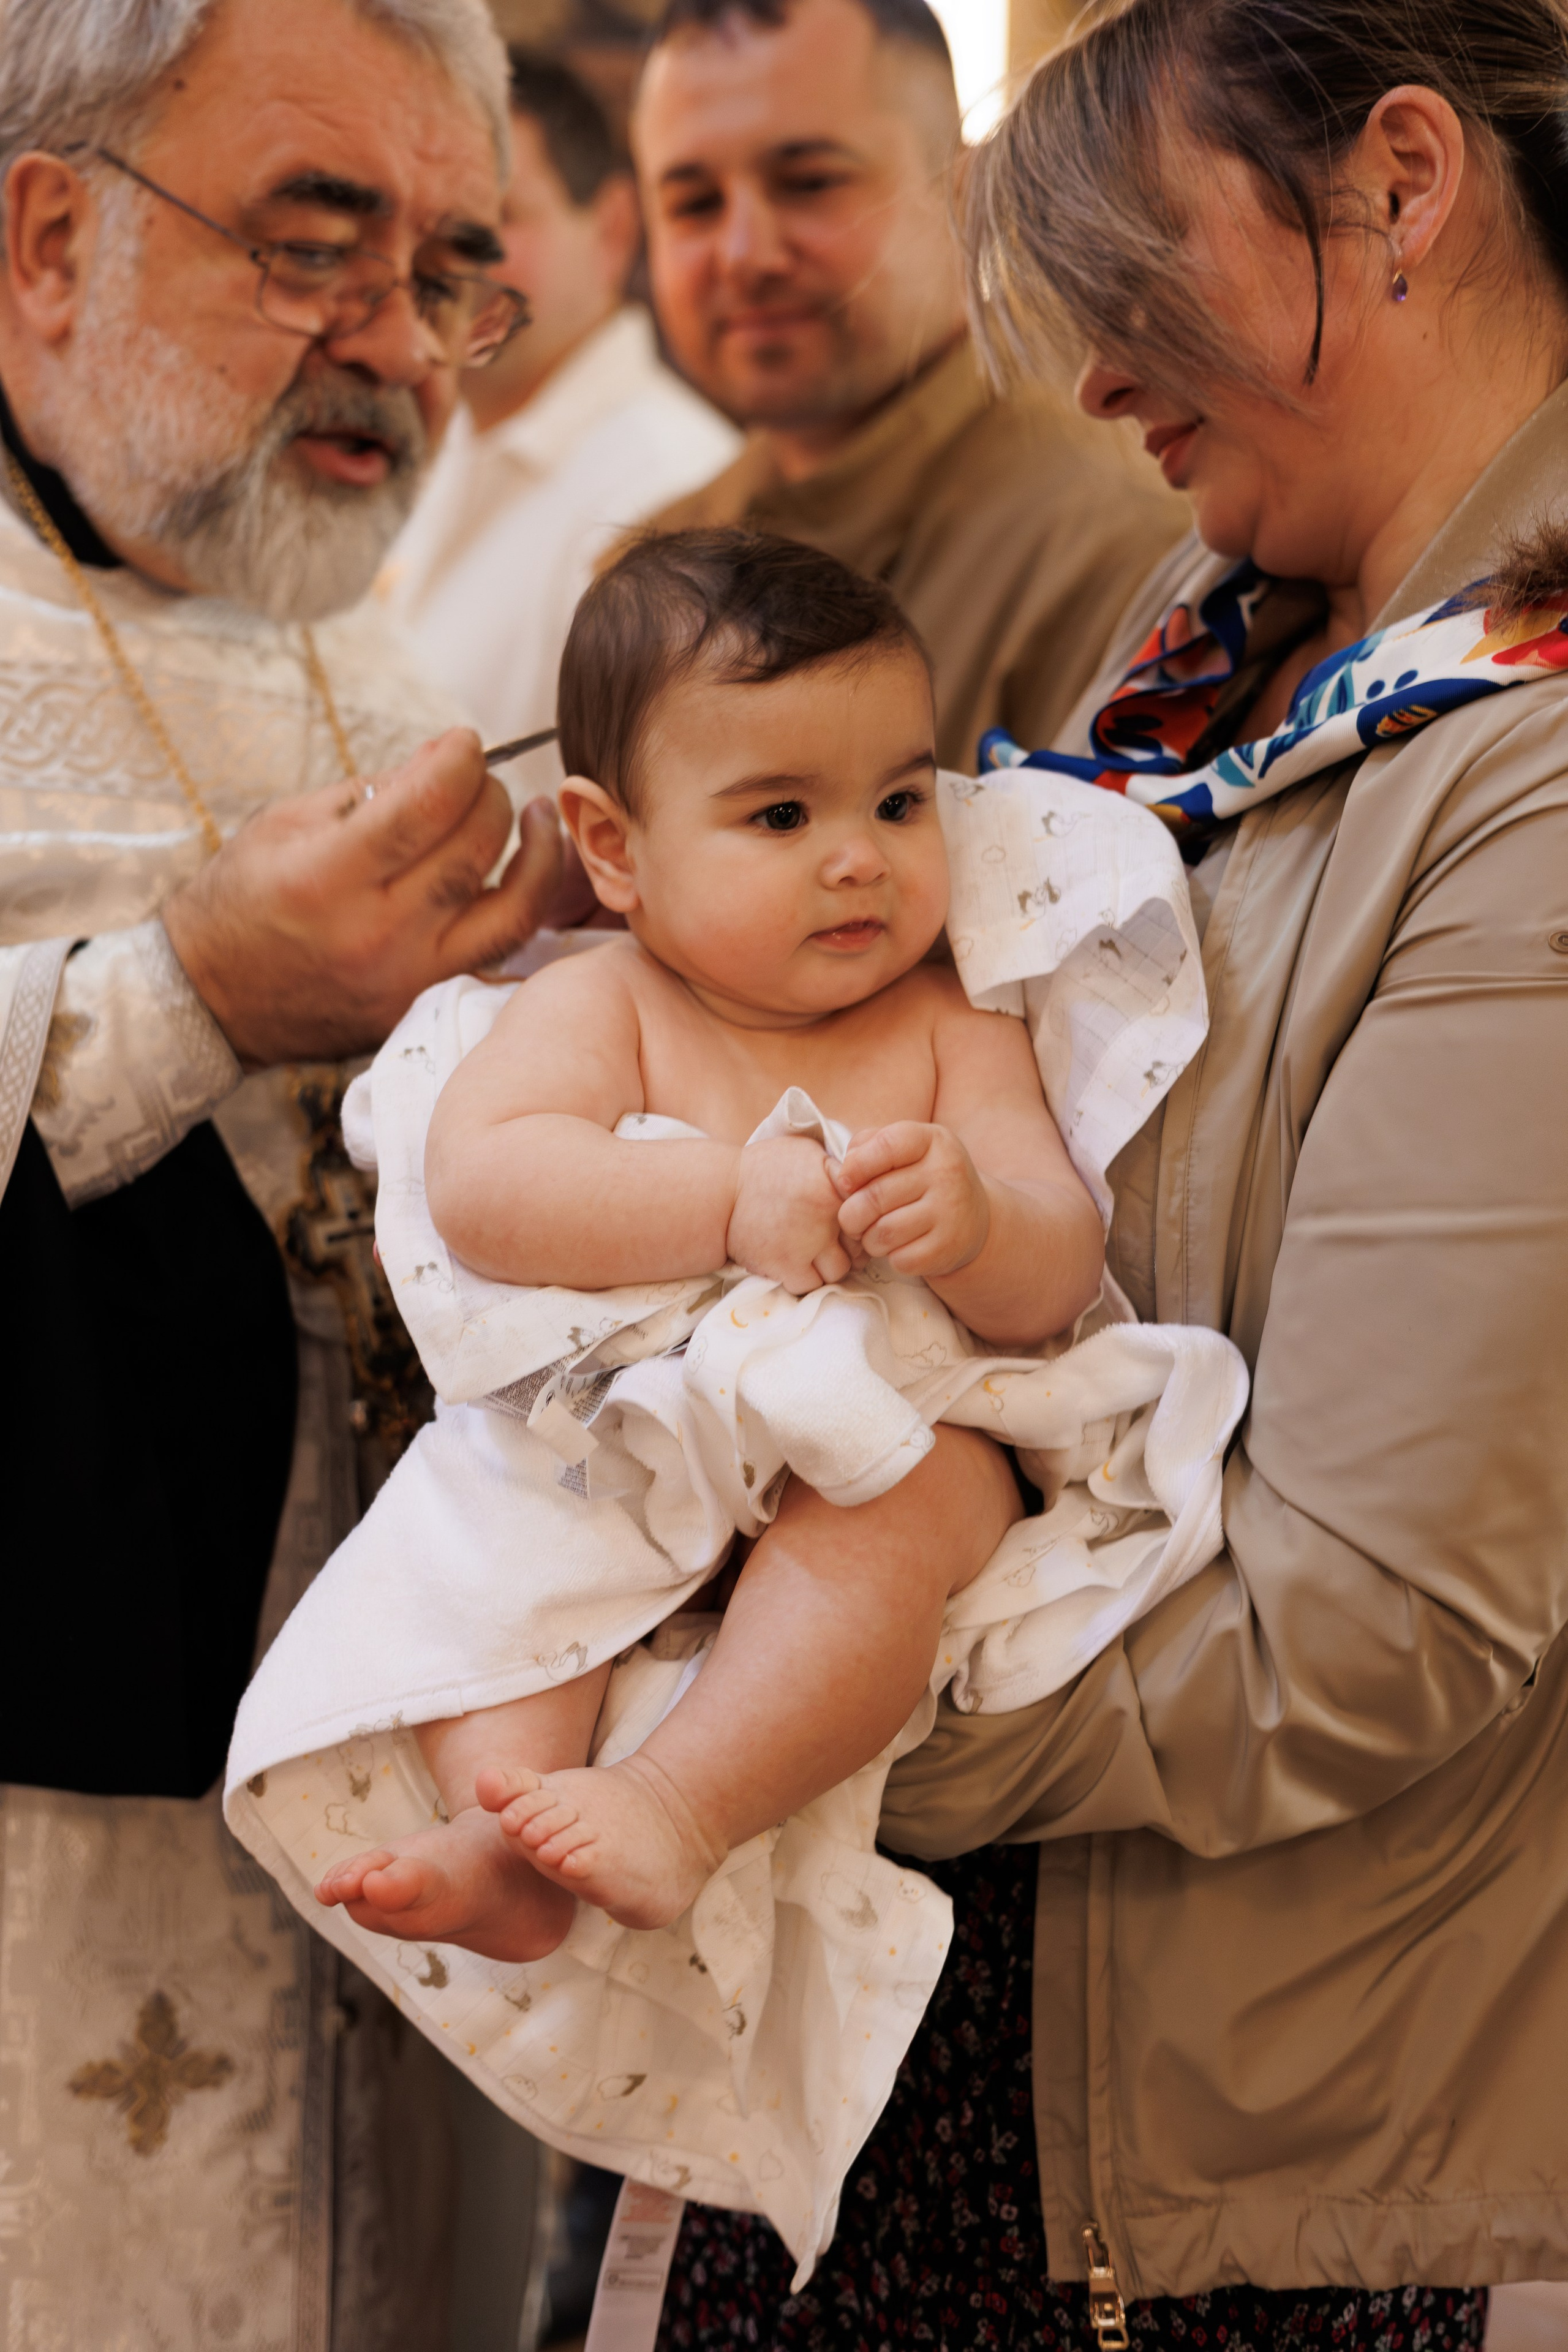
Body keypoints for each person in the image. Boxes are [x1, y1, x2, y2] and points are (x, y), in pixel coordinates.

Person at [654, 0, 1568, 2345]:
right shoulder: (1216, 650)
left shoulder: (1527, 775)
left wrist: (773, 1723)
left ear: (1396, 181)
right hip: (955, 2013)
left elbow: (1375, 1619)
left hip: (1182, 2126)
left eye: (1120, 278)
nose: (1083, 384)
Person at [0, 1, 567, 2343]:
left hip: (379, 1794)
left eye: (451, 273)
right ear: (46, 237)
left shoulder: (384, 658)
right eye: (317, 245)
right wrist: (186, 998)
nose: (398, 351)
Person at [310, 526, 1099, 1953]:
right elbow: (483, 1182)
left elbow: (1055, 1270)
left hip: (878, 1430)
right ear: (612, 846)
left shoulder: (949, 1027)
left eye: (899, 800)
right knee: (493, 1515)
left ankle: (681, 1797)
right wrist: (727, 1201)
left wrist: (973, 1220)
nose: (859, 859)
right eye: (781, 816)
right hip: (634, 1424)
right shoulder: (604, 1004)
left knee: (902, 1507)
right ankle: (507, 1826)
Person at [631, 0, 1189, 775]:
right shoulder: (659, 562)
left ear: (961, 191)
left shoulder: (1115, 546)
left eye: (808, 181)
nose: (743, 254)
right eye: (694, 204)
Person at [383, 47, 740, 760]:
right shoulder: (430, 442)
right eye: (426, 226)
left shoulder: (667, 494)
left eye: (495, 217)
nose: (450, 262)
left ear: (612, 231)